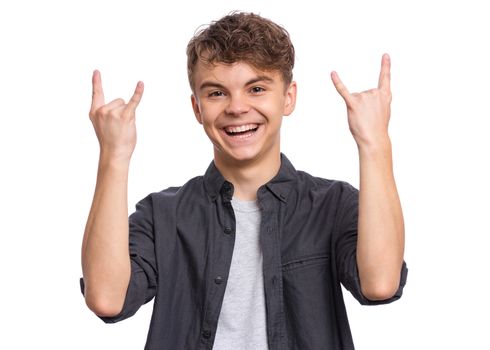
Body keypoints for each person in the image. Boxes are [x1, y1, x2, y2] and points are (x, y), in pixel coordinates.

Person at [80, 11, 407, 350]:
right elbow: (106, 298)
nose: (237, 107)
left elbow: (380, 283)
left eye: (256, 88)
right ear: (197, 108)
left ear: (288, 97)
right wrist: (113, 157)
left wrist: (374, 144)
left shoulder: (332, 205)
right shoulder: (163, 215)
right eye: (217, 93)